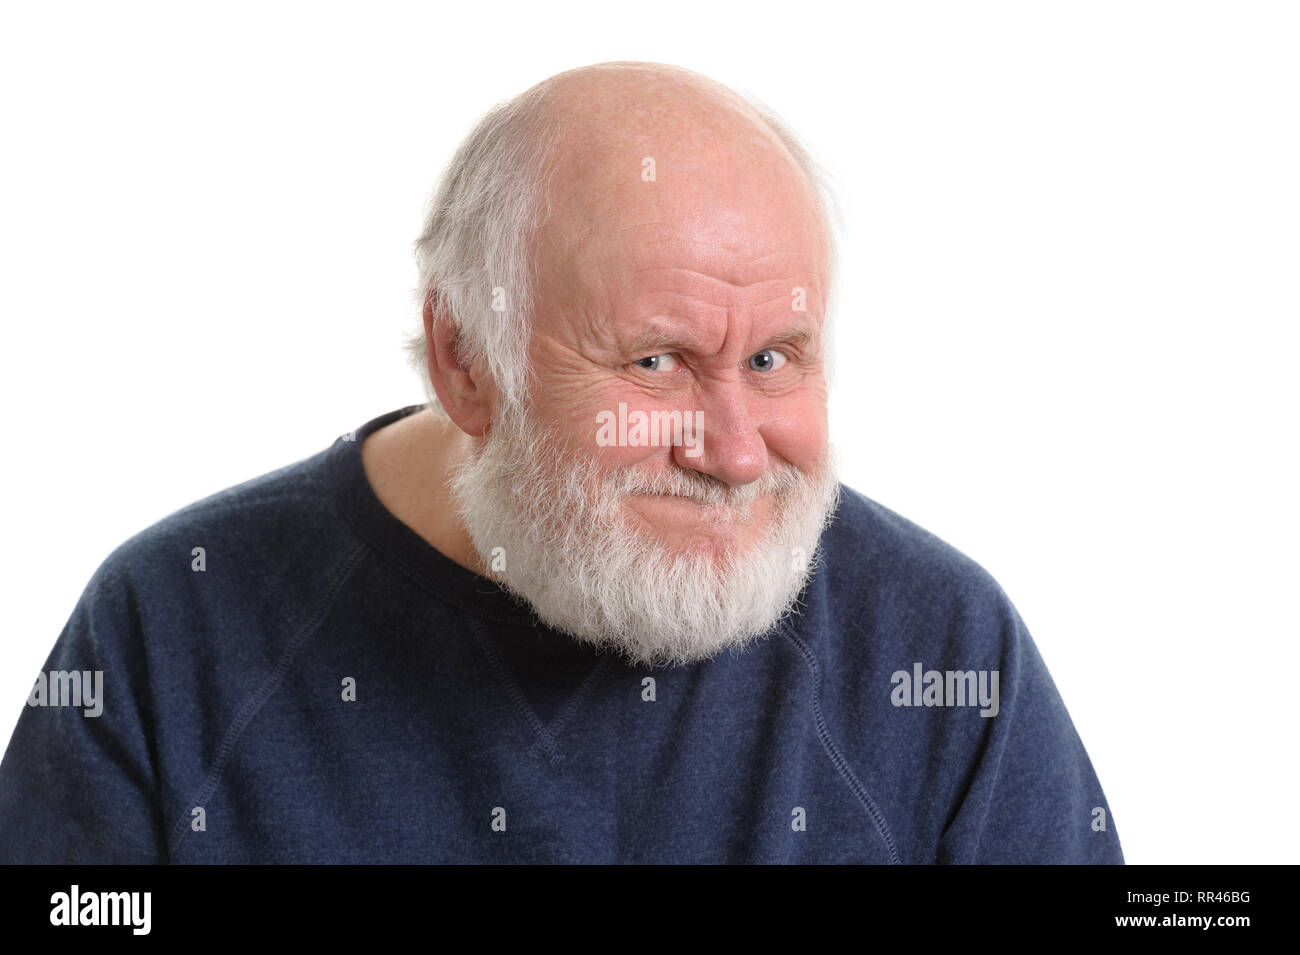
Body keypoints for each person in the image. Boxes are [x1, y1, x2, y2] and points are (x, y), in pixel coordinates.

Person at [0, 61, 1122, 864]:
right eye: (655, 361)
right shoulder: (171, 628)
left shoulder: (940, 648)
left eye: (775, 357)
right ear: (465, 359)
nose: (734, 452)